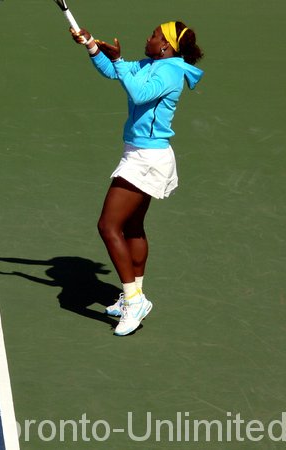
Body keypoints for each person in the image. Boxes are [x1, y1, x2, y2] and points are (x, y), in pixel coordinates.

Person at [70, 21, 204, 336]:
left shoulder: (170, 72)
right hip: (139, 154)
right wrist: (92, 44)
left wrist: (117, 60)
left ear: (166, 46)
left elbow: (140, 93)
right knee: (131, 227)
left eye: (155, 35)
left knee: (108, 225)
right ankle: (136, 294)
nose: (149, 37)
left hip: (147, 159)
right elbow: (115, 72)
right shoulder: (152, 63)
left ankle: (133, 301)